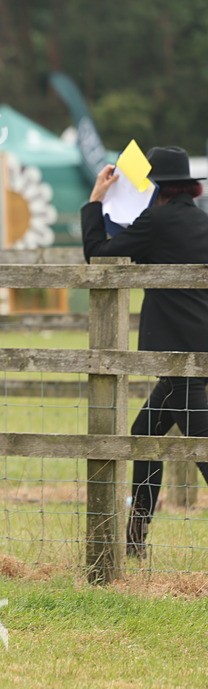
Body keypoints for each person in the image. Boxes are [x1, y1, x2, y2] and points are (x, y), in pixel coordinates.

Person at [82, 146, 208, 558]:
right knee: (143, 436)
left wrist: (96, 201)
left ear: (158, 188)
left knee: (199, 450)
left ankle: (135, 537)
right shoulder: (200, 223)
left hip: (178, 358)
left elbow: (98, 253)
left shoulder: (156, 220)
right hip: (195, 355)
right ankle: (136, 538)